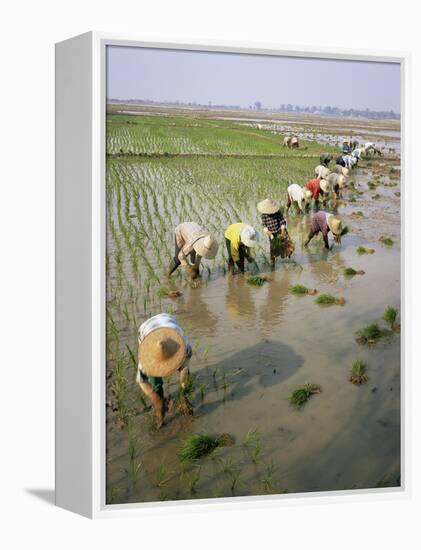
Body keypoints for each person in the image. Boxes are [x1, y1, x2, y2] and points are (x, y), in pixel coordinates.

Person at [136, 313, 192, 429]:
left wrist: (183, 393)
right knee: (155, 381)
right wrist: (156, 400)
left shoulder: (182, 344)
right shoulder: (146, 358)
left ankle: (183, 397)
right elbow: (141, 381)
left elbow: (184, 369)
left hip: (168, 320)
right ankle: (160, 412)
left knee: (184, 372)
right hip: (147, 329)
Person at [257, 198, 293, 268]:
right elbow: (264, 225)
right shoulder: (264, 215)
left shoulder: (278, 212)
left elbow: (282, 221)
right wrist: (268, 232)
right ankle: (272, 262)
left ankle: (286, 257)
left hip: (280, 231)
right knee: (273, 247)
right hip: (271, 233)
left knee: (285, 244)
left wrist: (282, 231)